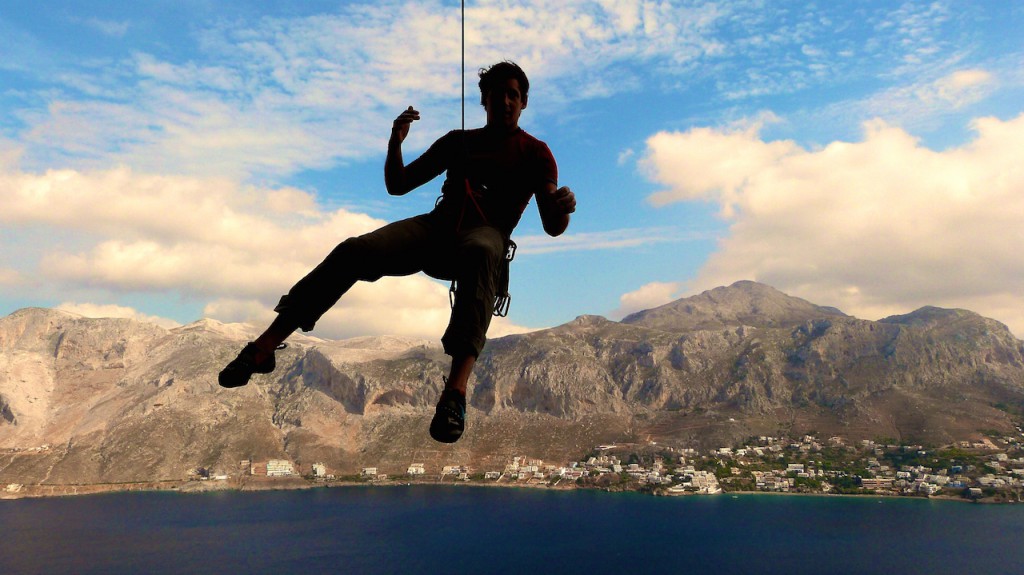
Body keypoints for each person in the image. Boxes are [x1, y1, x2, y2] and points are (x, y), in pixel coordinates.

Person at [218, 61, 576, 443]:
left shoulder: (536, 153)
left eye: (513, 95)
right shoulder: (459, 142)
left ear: (523, 103)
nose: (505, 101)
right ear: (484, 100)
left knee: (483, 248)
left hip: (483, 239)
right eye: (497, 94)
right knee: (355, 250)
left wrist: (562, 206)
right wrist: (395, 142)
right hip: (437, 229)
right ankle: (263, 348)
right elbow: (398, 185)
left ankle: (454, 393)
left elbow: (553, 226)